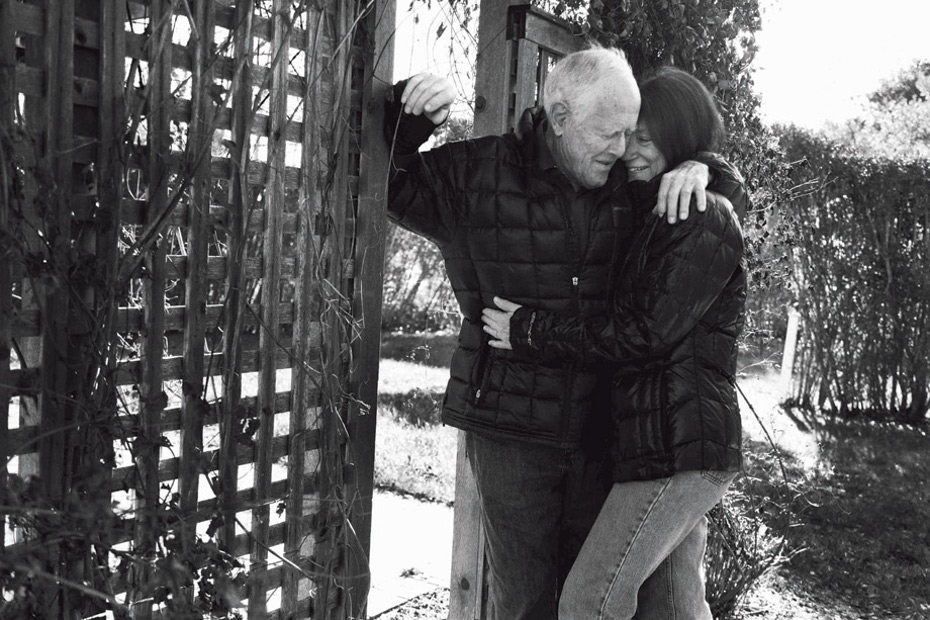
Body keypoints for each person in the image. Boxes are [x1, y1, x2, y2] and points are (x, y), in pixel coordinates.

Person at [384, 47, 744, 620]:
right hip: (511, 430)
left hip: (602, 434)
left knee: (595, 598)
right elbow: (392, 185)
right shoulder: (479, 173)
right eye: (612, 133)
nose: (623, 149)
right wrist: (410, 120)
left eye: (633, 135)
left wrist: (706, 169)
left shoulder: (624, 184)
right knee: (526, 601)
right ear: (559, 116)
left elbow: (706, 220)